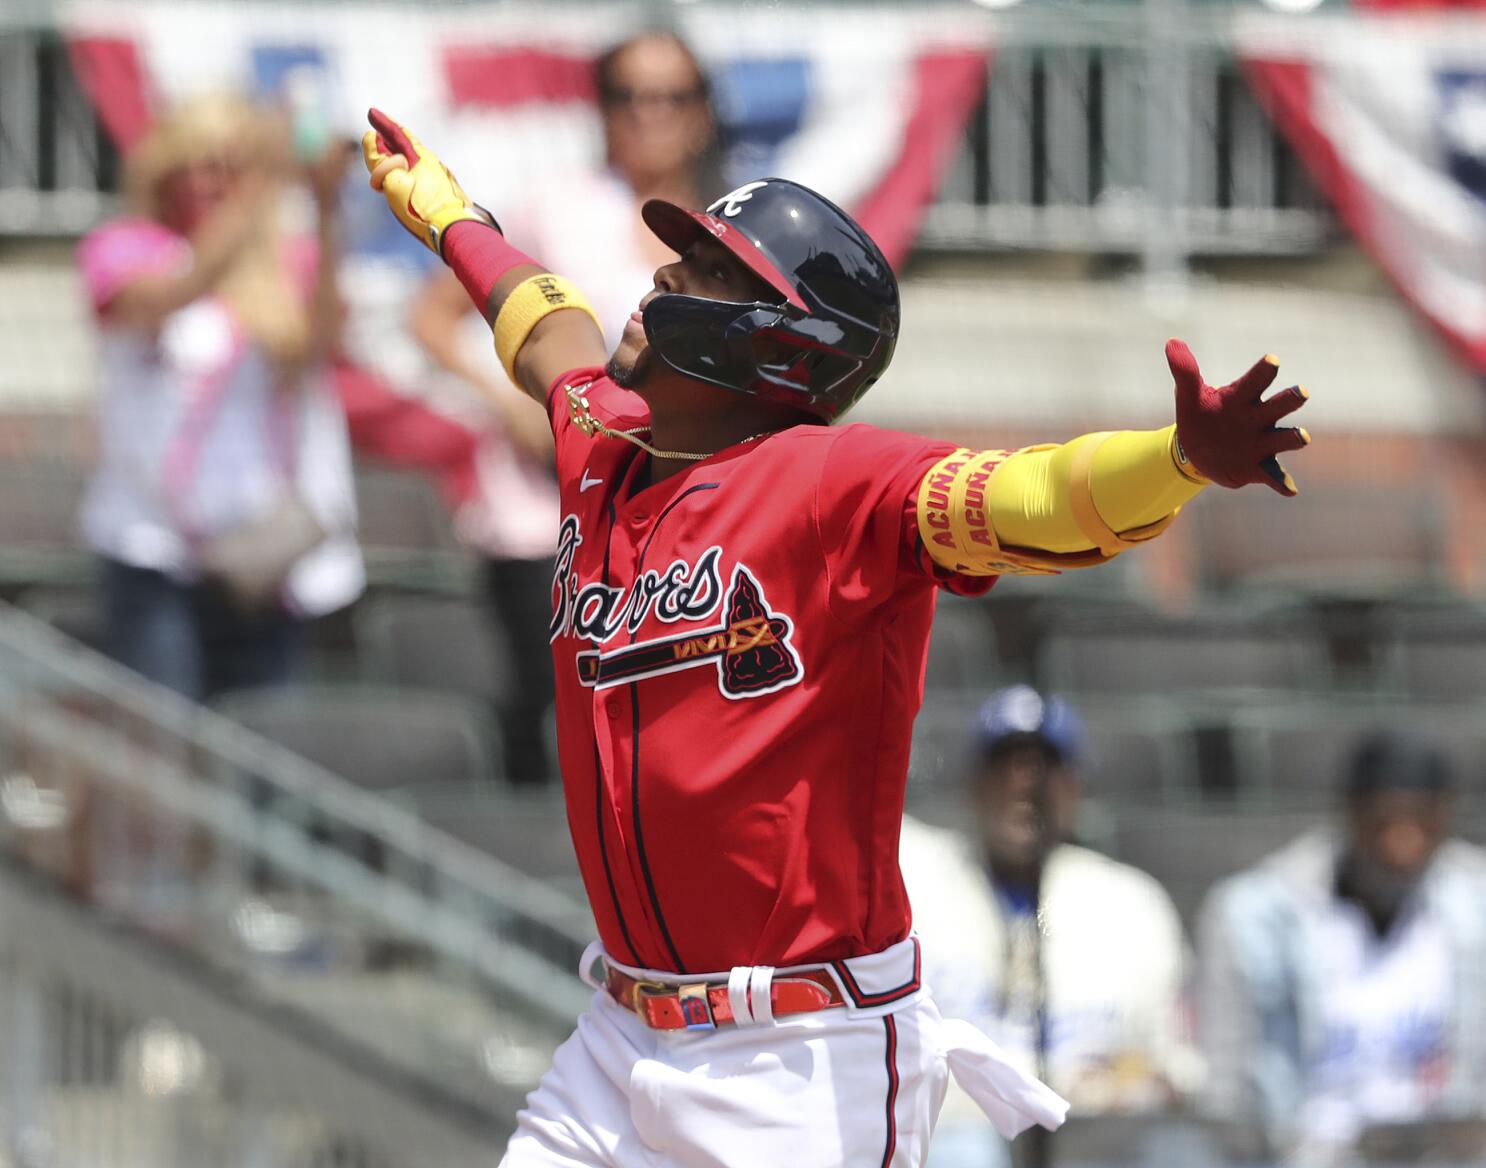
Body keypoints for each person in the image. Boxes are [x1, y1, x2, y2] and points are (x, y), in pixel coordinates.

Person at [358, 104, 1311, 1166]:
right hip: (619, 1035)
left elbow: (1033, 498)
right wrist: (448, 213)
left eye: (711, 271)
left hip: (801, 1060)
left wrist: (1174, 459)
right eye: (684, 254)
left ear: (782, 340)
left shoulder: (838, 487)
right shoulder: (603, 440)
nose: (667, 275)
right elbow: (545, 324)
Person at [399, 31, 719, 780]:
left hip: (670, 522)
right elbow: (432, 317)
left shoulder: (724, 237)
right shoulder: (557, 205)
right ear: (602, 109)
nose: (650, 114)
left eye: (672, 96)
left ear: (702, 113)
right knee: (560, 722)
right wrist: (509, 400)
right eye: (628, 96)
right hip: (549, 517)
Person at [76, 94, 363, 700]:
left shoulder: (285, 261)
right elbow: (175, 291)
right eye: (204, 164)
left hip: (256, 559)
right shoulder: (123, 245)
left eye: (234, 165)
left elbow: (322, 347)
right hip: (152, 552)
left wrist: (323, 206)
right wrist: (264, 187)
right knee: (166, 761)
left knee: (266, 755)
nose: (217, 183)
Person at [901, 687, 1199, 1168]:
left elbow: (1175, 1070)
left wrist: (1127, 1083)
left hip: (1091, 1142)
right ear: (974, 785)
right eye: (1006, 767)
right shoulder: (912, 876)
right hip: (953, 1138)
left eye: (1044, 769)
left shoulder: (1133, 904)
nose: (1025, 786)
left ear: (1074, 788)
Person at [1198, 732, 1486, 1164]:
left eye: (1422, 822)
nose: (1401, 844)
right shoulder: (1260, 913)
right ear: (1350, 814)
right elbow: (1229, 1082)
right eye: (1383, 823)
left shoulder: (1472, 903)